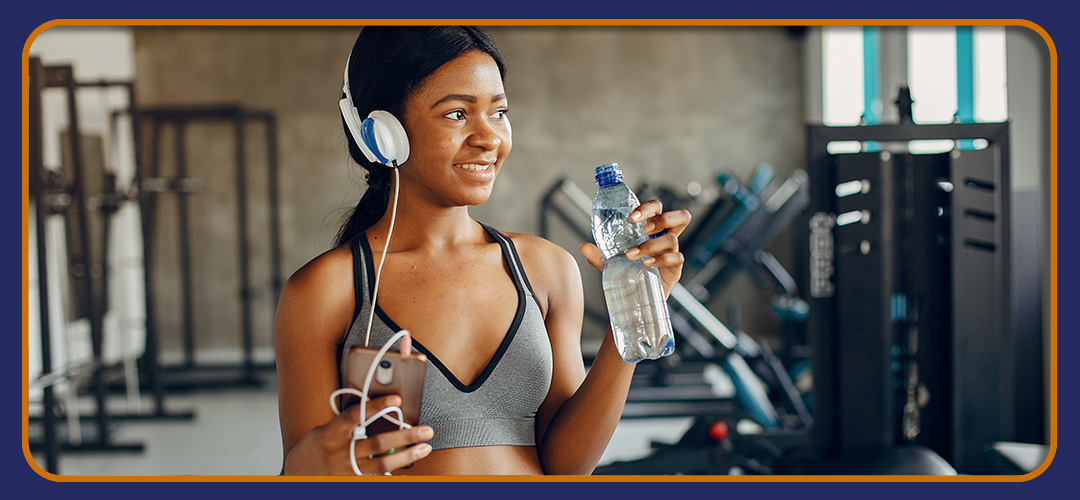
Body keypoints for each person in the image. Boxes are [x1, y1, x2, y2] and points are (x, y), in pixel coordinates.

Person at [275, 26, 691, 476]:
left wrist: (627, 319)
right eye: (457, 114)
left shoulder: (546, 270)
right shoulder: (325, 291)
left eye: (499, 112)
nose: (488, 137)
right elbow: (308, 471)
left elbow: (567, 468)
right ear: (384, 134)